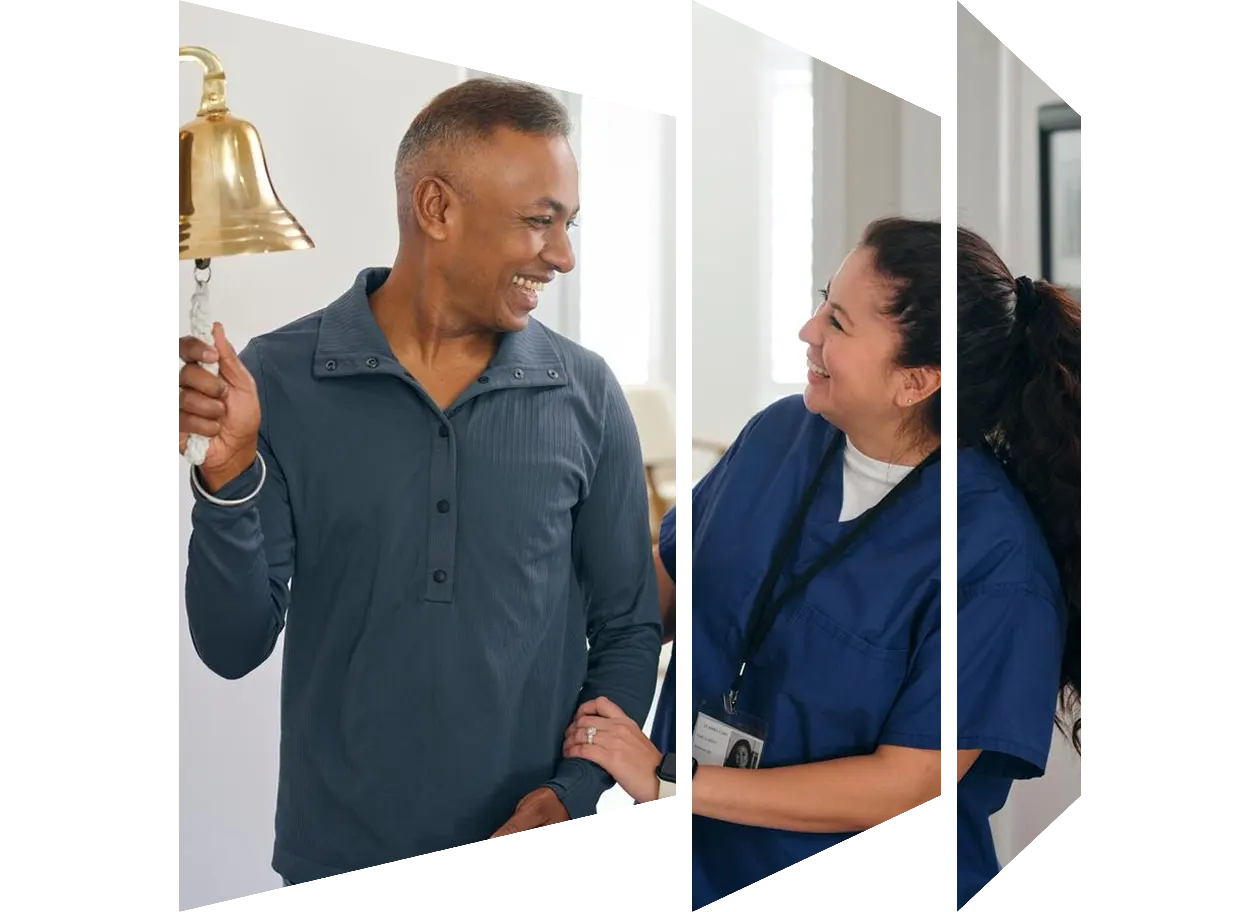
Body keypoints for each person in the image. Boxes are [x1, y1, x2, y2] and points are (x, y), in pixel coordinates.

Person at [175, 77, 664, 888]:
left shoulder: (586, 393)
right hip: (339, 866)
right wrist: (226, 473)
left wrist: (577, 791)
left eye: (569, 224)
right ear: (435, 209)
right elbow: (231, 647)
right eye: (540, 222)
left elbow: (626, 631)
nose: (564, 255)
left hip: (535, 863)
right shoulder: (282, 378)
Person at [560, 217, 1088, 901]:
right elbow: (662, 594)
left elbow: (909, 788)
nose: (808, 331)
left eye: (838, 322)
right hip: (699, 876)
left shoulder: (996, 562)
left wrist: (672, 781)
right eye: (821, 300)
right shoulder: (779, 434)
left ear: (917, 381)